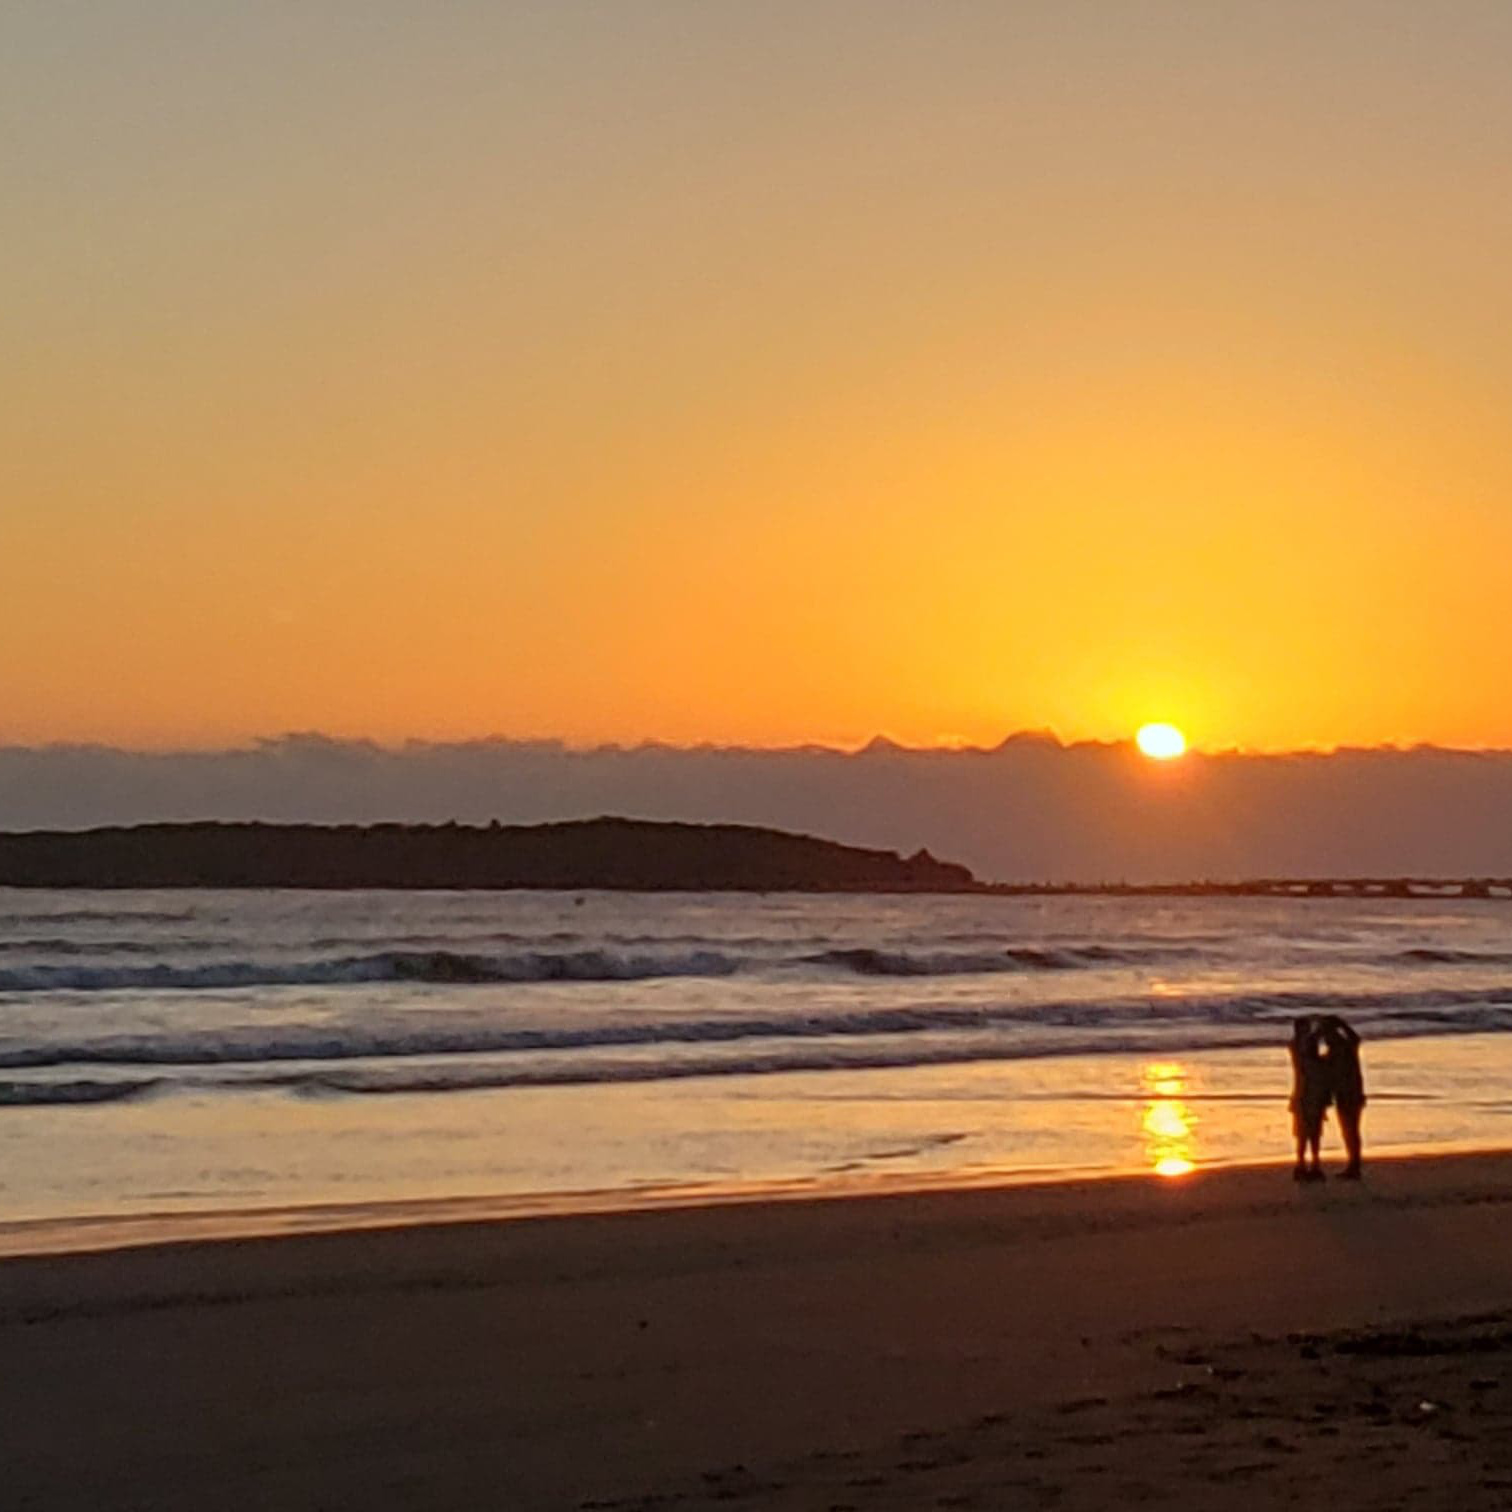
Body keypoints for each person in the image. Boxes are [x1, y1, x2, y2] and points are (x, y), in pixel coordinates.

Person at [1320, 1015, 1365, 1179]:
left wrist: (1342, 1025)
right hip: (1344, 1095)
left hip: (1351, 1094)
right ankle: (1353, 1164)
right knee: (1348, 1130)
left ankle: (1355, 1166)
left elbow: (1355, 1039)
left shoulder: (1344, 1048)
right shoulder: (1332, 1054)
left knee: (1351, 1130)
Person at [1288, 1015, 1330, 1181]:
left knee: (1314, 1133)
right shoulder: (1297, 1048)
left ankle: (1314, 1163)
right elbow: (1308, 1047)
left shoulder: (1309, 1051)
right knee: (1303, 1133)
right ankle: (1301, 1164)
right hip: (1304, 1095)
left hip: (1313, 1094)